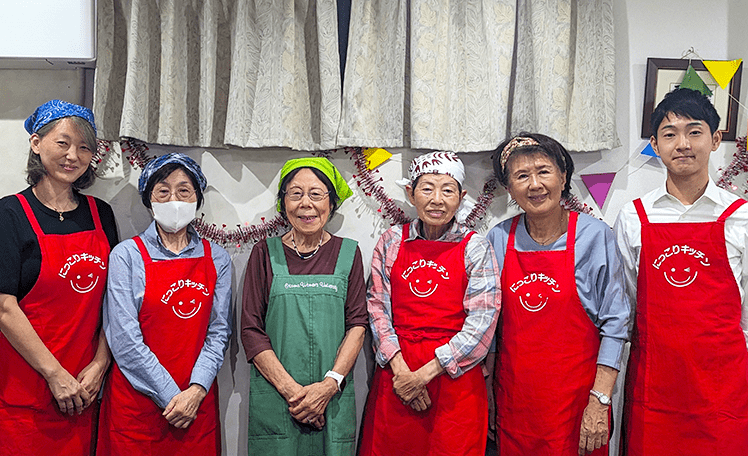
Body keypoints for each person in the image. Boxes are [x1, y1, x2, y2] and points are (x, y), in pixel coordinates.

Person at [614, 88, 748, 456]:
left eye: (694, 131)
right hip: (654, 385)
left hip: (724, 388)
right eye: (670, 134)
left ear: (716, 139)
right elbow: (626, 304)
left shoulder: (741, 217)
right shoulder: (633, 217)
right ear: (655, 145)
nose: (682, 143)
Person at [485, 133, 629, 456]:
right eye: (522, 176)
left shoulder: (595, 237)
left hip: (579, 409)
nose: (535, 184)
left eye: (543, 171)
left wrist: (601, 400)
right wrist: (488, 394)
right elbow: (490, 329)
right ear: (509, 189)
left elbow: (616, 324)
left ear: (563, 177)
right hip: (515, 406)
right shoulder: (498, 239)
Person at [358, 151, 500, 456]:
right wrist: (402, 374)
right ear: (410, 194)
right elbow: (377, 309)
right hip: (398, 372)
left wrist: (420, 377)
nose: (437, 199)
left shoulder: (475, 248)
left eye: (447, 190)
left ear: (461, 198)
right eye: (427, 188)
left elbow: (481, 324)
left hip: (454, 379)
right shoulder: (391, 241)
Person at [0, 100, 119, 455]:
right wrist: (55, 375)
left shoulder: (102, 214)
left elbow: (114, 302)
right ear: (36, 143)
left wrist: (100, 364)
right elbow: (4, 308)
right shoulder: (10, 214)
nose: (73, 155)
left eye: (84, 147)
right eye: (63, 143)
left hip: (85, 392)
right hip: (26, 394)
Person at [97, 153, 232, 456]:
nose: (174, 199)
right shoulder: (126, 256)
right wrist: (173, 397)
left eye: (184, 190)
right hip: (137, 409)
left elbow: (219, 332)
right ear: (149, 199)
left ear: (198, 199)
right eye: (163, 190)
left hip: (196, 404)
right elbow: (124, 339)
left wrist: (195, 391)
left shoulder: (217, 258)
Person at [241, 157, 367, 455]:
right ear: (283, 203)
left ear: (332, 203)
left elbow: (357, 325)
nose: (305, 204)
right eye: (295, 193)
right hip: (278, 399)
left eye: (316, 194)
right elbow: (251, 330)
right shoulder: (263, 253)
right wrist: (296, 394)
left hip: (332, 399)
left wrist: (327, 387)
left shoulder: (348, 253)